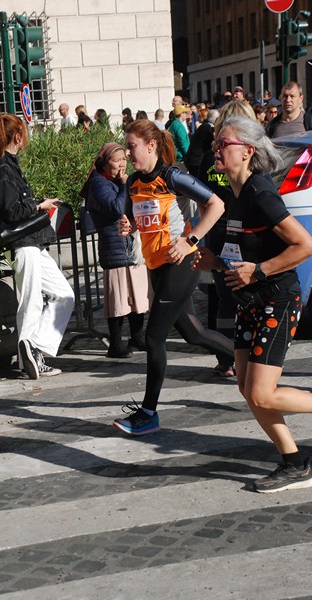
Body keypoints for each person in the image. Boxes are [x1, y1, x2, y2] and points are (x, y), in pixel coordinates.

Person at [192, 116, 312, 493]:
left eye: (223, 143)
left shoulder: (261, 193)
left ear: (248, 150)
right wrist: (215, 262)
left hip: (278, 298)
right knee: (247, 388)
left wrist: (258, 271)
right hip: (251, 302)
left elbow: (305, 245)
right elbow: (240, 246)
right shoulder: (234, 194)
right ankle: (294, 462)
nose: (217, 149)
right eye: (215, 143)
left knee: (262, 391)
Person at [113, 119, 234, 436]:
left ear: (150, 146)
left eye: (132, 146)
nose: (127, 153)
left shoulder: (173, 176)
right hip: (157, 267)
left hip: (181, 264)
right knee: (193, 333)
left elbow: (216, 205)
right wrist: (129, 227)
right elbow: (141, 221)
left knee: (154, 338)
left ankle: (148, 413)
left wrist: (191, 241)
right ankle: (244, 359)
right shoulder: (134, 183)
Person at [0, 113, 74, 379]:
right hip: (23, 244)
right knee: (31, 301)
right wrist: (39, 207)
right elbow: (11, 211)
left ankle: (34, 347)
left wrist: (39, 205)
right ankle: (30, 352)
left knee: (63, 294)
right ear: (17, 136)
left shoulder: (8, 166)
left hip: (33, 243)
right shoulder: (2, 169)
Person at [197, 100, 258, 378]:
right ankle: (243, 354)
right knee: (241, 294)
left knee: (225, 297)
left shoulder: (212, 158)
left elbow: (202, 201)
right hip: (238, 232)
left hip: (220, 232)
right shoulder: (235, 158)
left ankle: (225, 358)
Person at [80, 143, 151, 358]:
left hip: (128, 244)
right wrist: (124, 184)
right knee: (119, 298)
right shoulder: (99, 183)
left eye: (123, 160)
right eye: (116, 160)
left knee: (136, 293)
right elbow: (118, 208)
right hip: (114, 246)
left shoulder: (112, 181)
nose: (122, 165)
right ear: (105, 163)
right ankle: (116, 344)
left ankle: (137, 337)